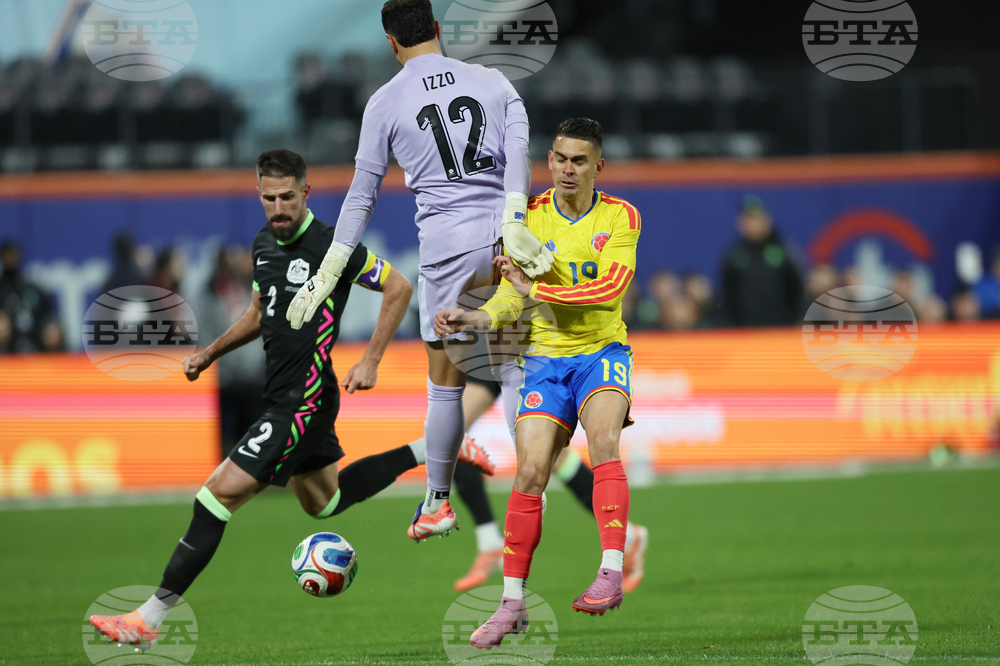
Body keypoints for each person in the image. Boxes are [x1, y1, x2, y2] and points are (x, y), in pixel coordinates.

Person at [88, 149, 493, 648]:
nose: (278, 209)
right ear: (258, 195)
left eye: (286, 198)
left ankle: (149, 618)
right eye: (268, 198)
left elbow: (399, 287)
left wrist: (370, 360)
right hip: (280, 394)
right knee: (325, 503)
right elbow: (261, 313)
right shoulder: (262, 244)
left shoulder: (332, 245)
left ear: (304, 193)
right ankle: (436, 448)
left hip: (304, 401)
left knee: (215, 496)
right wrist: (210, 352)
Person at [284, 0, 553, 540]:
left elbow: (362, 198)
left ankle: (437, 503)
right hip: (505, 238)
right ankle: (532, 487)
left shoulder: (384, 102)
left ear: (391, 42)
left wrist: (329, 268)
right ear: (436, 28)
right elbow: (520, 150)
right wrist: (516, 217)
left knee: (446, 385)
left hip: (448, 248)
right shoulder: (494, 81)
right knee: (510, 367)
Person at [435, 118, 641, 646]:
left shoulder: (621, 217)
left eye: (579, 160)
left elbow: (608, 290)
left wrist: (535, 292)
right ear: (548, 160)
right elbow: (512, 296)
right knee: (528, 472)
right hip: (545, 359)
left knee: (603, 441)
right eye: (559, 159)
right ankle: (511, 604)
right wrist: (474, 317)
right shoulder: (527, 216)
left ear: (599, 165)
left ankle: (611, 569)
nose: (567, 169)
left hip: (601, 352)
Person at [449, 373, 649, 594]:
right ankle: (490, 543)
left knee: (549, 456)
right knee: (450, 435)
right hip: (488, 351)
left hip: (524, 353)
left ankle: (627, 534)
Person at [720, 195, 804, 327]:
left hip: (780, 329)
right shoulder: (734, 256)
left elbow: (797, 290)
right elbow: (727, 296)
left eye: (756, 217)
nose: (753, 223)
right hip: (745, 331)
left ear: (766, 218)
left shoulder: (784, 252)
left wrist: (796, 321)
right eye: (748, 218)